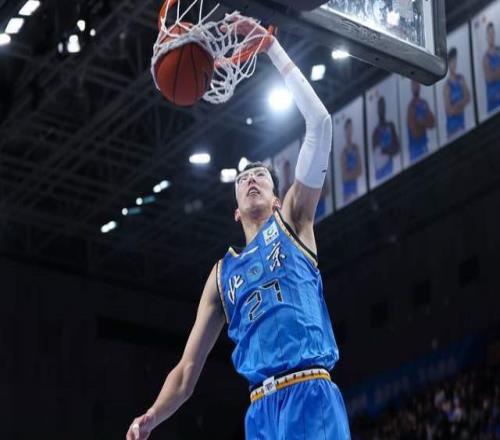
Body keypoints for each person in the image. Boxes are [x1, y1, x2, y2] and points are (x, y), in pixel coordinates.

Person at [126, 16, 351, 440]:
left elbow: (320, 124)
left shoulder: (293, 220)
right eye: (243, 178)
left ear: (276, 198)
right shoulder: (221, 276)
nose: (251, 178)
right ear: (235, 211)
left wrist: (271, 49)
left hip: (310, 392)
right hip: (259, 411)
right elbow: (186, 371)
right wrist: (152, 416)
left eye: (261, 175)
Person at [444, 47, 471, 139]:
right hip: (452, 130)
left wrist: (457, 105)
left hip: (462, 126)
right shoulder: (447, 86)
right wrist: (462, 104)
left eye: (455, 61)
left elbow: (468, 98)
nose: (454, 64)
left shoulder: (461, 78)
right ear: (448, 64)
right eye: (452, 62)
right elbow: (450, 111)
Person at [372, 96, 400, 183]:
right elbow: (377, 156)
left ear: (385, 108)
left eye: (383, 106)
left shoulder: (390, 126)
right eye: (380, 107)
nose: (381, 109)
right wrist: (389, 150)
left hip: (391, 169)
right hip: (380, 173)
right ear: (377, 110)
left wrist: (384, 151)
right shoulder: (375, 132)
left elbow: (396, 148)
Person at [407, 80, 435, 163]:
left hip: (425, 146)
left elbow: (432, 123)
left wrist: (420, 123)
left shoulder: (424, 103)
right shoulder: (410, 107)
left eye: (417, 84)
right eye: (414, 85)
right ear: (411, 88)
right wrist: (425, 123)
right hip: (415, 151)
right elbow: (415, 133)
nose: (416, 87)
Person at [340, 118, 362, 203]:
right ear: (345, 132)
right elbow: (345, 176)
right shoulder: (343, 153)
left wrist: (351, 173)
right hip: (347, 193)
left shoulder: (356, 148)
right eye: (348, 129)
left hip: (355, 190)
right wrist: (355, 172)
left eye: (351, 129)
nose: (350, 132)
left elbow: (360, 171)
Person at [483, 22, 500, 113]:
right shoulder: (486, 58)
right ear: (486, 37)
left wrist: (495, 72)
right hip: (494, 104)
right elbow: (491, 77)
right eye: (489, 33)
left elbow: (495, 75)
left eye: (493, 32)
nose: (491, 35)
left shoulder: (499, 50)